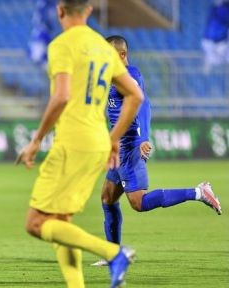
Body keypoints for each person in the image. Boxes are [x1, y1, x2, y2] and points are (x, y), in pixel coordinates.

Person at [15, 0, 144, 288]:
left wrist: (36, 140)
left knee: (36, 223)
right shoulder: (103, 48)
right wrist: (113, 139)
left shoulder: (62, 45)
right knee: (61, 222)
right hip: (98, 142)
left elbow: (60, 96)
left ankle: (114, 253)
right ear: (88, 11)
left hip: (72, 143)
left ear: (60, 10)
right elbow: (136, 96)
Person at [93, 36, 223, 266]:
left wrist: (143, 138)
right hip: (118, 147)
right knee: (107, 197)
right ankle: (113, 254)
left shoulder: (129, 77)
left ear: (122, 55)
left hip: (130, 146)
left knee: (138, 202)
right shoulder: (113, 76)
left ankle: (199, 192)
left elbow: (143, 106)